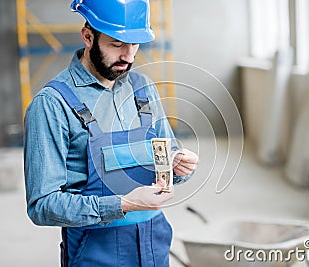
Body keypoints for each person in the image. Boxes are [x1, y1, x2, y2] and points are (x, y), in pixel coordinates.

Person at [23, 0, 198, 266]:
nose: (128, 56)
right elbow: (42, 206)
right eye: (117, 44)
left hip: (154, 243)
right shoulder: (52, 104)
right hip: (95, 251)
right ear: (88, 36)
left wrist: (178, 167)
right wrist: (122, 204)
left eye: (135, 44)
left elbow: (168, 157)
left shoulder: (143, 88)